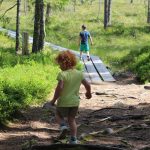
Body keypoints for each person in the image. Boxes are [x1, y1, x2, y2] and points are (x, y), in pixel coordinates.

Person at [50, 50, 92, 144]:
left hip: (63, 101)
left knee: (58, 114)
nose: (59, 66)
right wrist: (88, 93)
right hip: (75, 102)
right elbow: (87, 85)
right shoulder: (79, 73)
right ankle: (73, 139)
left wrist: (53, 100)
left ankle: (63, 126)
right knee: (72, 120)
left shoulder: (62, 74)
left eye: (59, 64)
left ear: (64, 63)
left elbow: (59, 88)